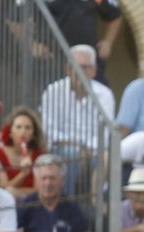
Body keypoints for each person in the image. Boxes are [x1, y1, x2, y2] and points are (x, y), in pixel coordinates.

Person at [39, 44, 113, 183]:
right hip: (61, 149)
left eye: (85, 67)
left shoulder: (104, 95)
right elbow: (49, 130)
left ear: (94, 71)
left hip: (94, 151)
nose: (79, 72)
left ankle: (96, 203)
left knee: (108, 159)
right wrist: (78, 149)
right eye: (75, 66)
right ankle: (69, 202)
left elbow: (105, 133)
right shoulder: (53, 91)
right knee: (70, 157)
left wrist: (87, 150)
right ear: (67, 69)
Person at [18, 154, 91, 232]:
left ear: (62, 181)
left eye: (52, 178)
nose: (48, 183)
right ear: (36, 180)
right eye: (43, 178)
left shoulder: (72, 207)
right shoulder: (26, 205)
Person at [0, 106, 45, 195]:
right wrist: (23, 174)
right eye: (18, 127)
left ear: (33, 134)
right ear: (10, 133)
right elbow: (3, 190)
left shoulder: (39, 155)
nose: (23, 131)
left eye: (27, 128)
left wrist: (17, 192)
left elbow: (39, 191)